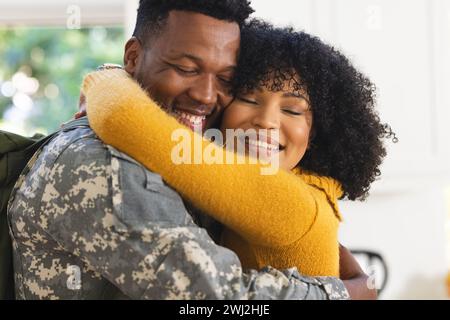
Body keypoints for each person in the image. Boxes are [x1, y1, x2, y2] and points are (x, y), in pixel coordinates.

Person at [7, 0, 351, 299]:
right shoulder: (100, 166)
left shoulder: (202, 150)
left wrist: (105, 78)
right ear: (133, 56)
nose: (205, 94)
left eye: (227, 80)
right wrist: (343, 293)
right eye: (186, 69)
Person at [82, 20, 393, 297]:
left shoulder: (287, 200)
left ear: (315, 134)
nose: (266, 121)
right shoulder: (307, 193)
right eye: (247, 98)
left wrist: (106, 77)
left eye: (292, 110)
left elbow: (122, 117)